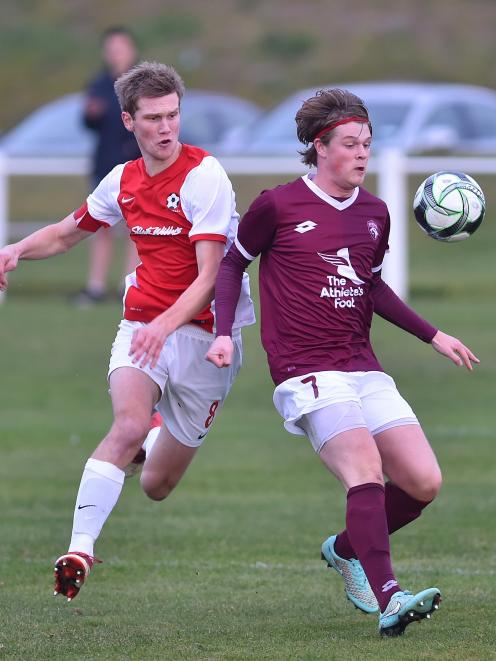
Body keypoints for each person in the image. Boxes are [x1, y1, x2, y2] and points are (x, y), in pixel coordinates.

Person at [206, 88, 479, 637]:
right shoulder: (277, 206)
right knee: (365, 472)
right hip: (304, 369)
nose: (361, 154)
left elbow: (370, 287)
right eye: (351, 144)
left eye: (368, 145)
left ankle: (345, 549)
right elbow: (232, 264)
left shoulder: (376, 214)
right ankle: (390, 598)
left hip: (361, 364)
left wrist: (433, 335)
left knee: (424, 482)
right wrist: (223, 333)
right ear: (318, 146)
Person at [0, 61, 254, 601]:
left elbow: (211, 277)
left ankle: (158, 438)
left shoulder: (204, 176)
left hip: (208, 340)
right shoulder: (122, 179)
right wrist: (18, 249)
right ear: (128, 121)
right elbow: (70, 233)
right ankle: (80, 550)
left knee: (157, 486)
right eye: (154, 118)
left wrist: (167, 325)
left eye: (173, 115)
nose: (166, 128)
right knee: (126, 424)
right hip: (142, 327)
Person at [72, 26, 141, 305]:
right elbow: (89, 123)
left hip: (135, 165)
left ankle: (130, 284)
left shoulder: (142, 84)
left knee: (136, 227)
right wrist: (91, 114)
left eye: (120, 48)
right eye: (112, 49)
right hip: (104, 166)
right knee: (98, 224)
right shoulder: (99, 84)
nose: (116, 54)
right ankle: (96, 286)